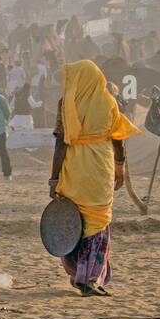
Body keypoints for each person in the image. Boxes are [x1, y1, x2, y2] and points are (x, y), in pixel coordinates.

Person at [49, 60, 141, 296]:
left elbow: (60, 142)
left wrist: (54, 178)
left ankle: (78, 274)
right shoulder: (107, 101)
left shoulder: (65, 103)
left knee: (74, 220)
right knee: (97, 221)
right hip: (100, 167)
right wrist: (120, 166)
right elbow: (118, 138)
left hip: (73, 169)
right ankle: (88, 278)